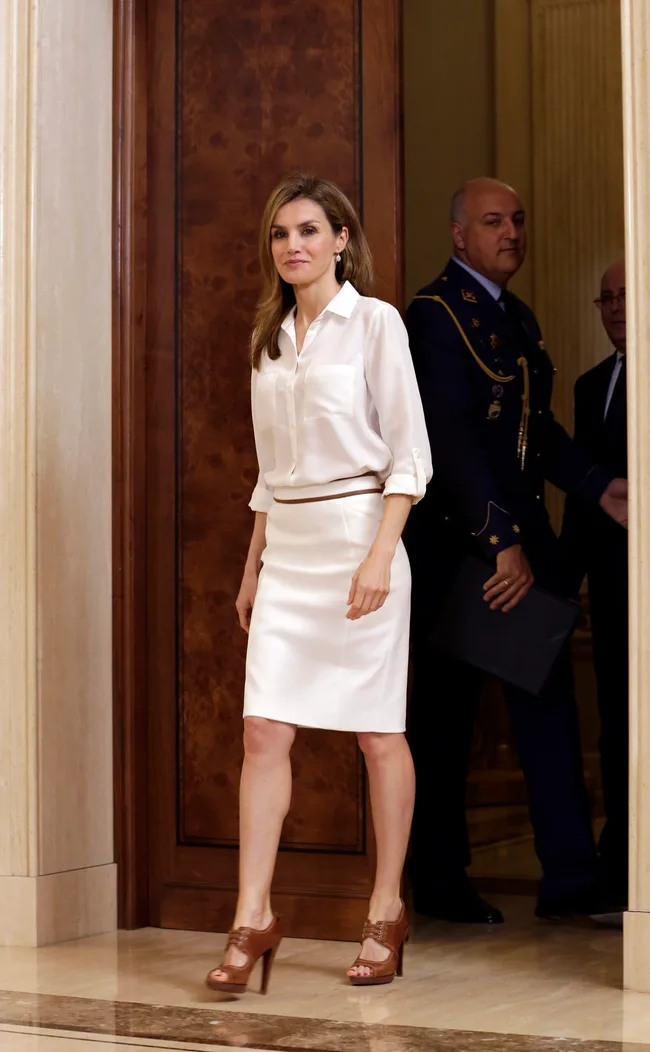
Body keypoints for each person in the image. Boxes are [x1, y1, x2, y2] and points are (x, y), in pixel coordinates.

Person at [205, 173, 432, 995]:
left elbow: (410, 454)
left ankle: (385, 909)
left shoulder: (376, 324)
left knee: (377, 734)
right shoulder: (268, 338)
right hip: (289, 556)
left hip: (359, 543)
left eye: (308, 230)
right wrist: (252, 567)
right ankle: (253, 915)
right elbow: (270, 473)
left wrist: (379, 554)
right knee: (262, 732)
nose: (292, 245)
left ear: (341, 240)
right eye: (280, 233)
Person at [405, 178, 628, 924]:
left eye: (518, 221)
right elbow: (451, 439)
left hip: (521, 550)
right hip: (461, 553)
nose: (511, 233)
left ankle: (568, 879)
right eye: (494, 221)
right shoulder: (435, 314)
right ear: (458, 235)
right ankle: (441, 881)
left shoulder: (517, 316)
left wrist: (598, 485)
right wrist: (500, 541)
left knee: (547, 708)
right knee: (447, 719)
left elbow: (538, 431)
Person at [560, 260, 628, 908]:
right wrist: (563, 582)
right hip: (608, 586)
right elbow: (587, 498)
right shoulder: (589, 387)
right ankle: (620, 862)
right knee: (614, 721)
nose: (616, 308)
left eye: (627, 296)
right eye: (606, 298)